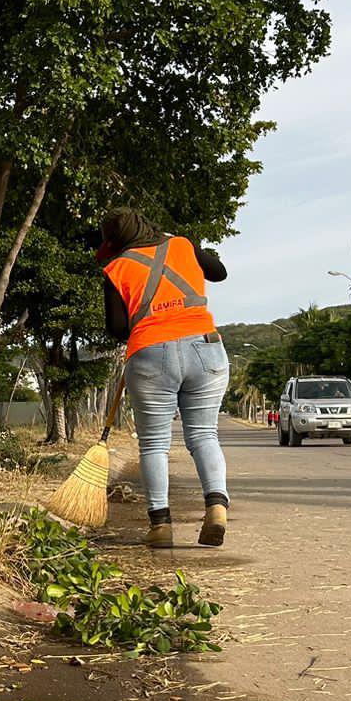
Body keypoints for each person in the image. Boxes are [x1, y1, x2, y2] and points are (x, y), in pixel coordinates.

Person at [98, 208, 229, 549]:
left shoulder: (116, 267)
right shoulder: (182, 246)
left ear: (116, 240)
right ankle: (216, 506)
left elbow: (116, 329)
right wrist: (180, 244)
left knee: (154, 443)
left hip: (150, 353)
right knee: (204, 435)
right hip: (205, 346)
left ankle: (161, 525)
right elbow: (219, 272)